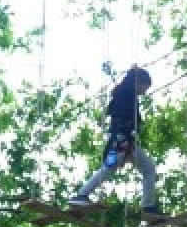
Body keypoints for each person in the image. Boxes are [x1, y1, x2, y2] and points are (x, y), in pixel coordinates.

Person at [67, 66, 164, 218]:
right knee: (118, 168)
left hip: (123, 142)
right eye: (145, 86)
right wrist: (124, 139)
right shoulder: (126, 94)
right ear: (138, 82)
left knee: (144, 167)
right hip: (122, 142)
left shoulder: (125, 93)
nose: (145, 91)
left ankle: (148, 206)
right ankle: (81, 195)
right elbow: (121, 119)